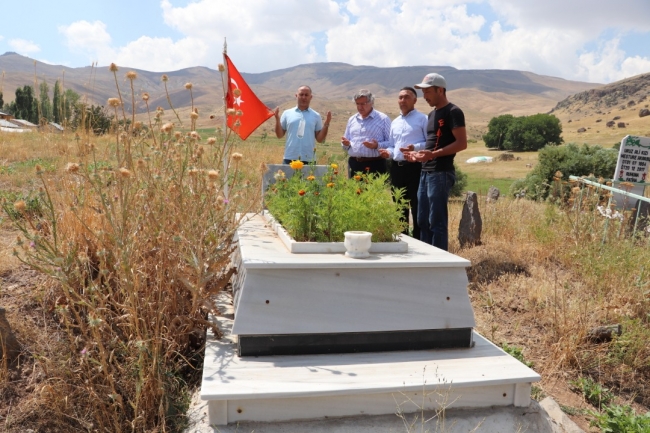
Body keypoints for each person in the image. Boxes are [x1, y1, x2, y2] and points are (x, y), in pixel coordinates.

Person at [402, 73, 467, 251]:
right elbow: (430, 146)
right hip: (425, 171)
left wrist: (433, 154)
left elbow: (462, 143)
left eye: (428, 92)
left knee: (436, 221)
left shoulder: (453, 112)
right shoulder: (432, 115)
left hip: (441, 173)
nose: (425, 97)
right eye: (423, 92)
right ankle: (425, 259)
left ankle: (440, 262)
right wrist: (415, 155)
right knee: (422, 220)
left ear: (440, 90)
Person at [379, 87, 427, 240]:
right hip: (396, 168)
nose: (403, 100)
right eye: (400, 97)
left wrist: (415, 147)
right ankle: (403, 240)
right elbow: (393, 145)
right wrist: (389, 153)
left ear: (415, 100)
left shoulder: (423, 119)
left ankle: (420, 241)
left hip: (416, 167)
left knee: (417, 205)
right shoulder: (395, 122)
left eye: (406, 97)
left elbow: (430, 143)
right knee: (399, 206)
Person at [274, 85, 332, 164]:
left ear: (311, 97)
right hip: (289, 158)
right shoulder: (287, 113)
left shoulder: (316, 116)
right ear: (296, 95)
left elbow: (320, 139)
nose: (304, 97)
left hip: (309, 159)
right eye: (301, 94)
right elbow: (279, 135)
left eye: (306, 95)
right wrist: (277, 119)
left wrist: (327, 123)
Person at [341, 89, 391, 177]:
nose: (360, 107)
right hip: (354, 164)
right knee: (354, 191)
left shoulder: (383, 119)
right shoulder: (352, 120)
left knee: (374, 191)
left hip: (375, 164)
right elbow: (345, 144)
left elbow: (391, 143)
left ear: (372, 102)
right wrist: (346, 144)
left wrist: (376, 145)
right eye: (357, 104)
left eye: (363, 104)